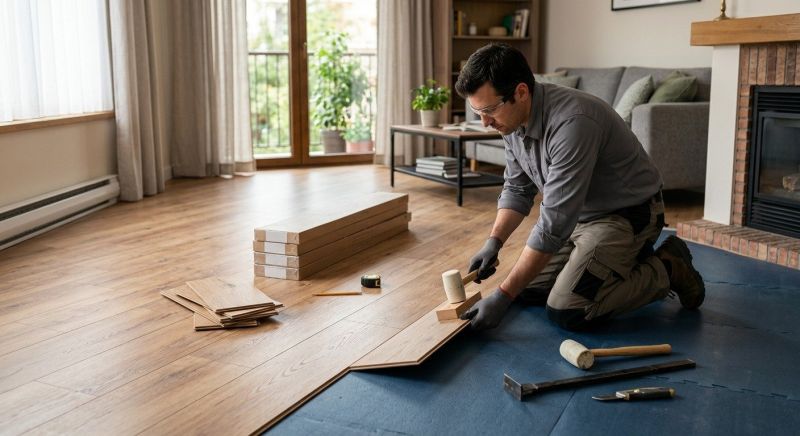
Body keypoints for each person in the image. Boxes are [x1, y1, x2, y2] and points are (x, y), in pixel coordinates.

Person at [456, 43, 705, 331]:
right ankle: (610, 264)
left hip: (626, 215)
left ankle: (668, 266)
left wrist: (502, 295)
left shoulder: (573, 123)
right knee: (528, 289)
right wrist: (494, 241)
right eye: (478, 112)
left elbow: (553, 223)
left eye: (488, 110)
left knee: (568, 309)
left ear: (521, 92)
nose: (485, 122)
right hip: (580, 217)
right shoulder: (511, 122)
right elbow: (517, 189)